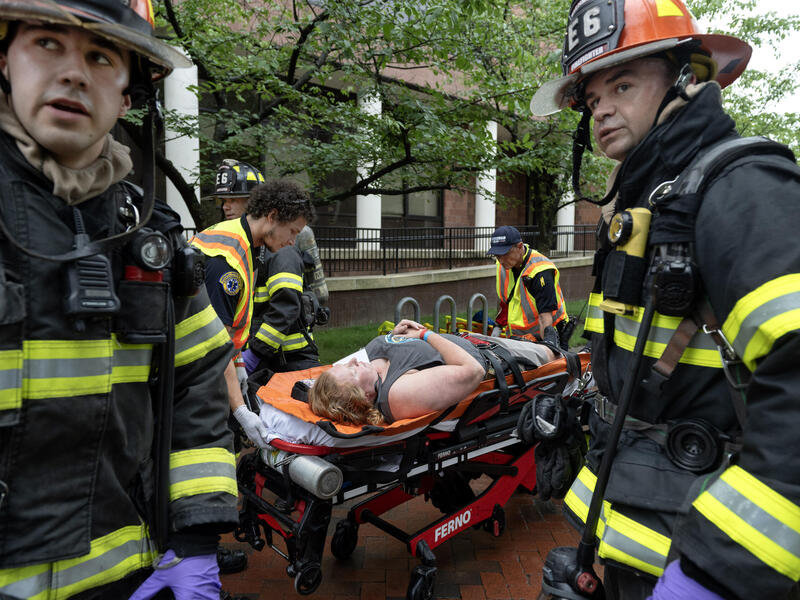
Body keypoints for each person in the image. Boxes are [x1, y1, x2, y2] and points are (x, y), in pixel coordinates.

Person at [529, 0, 800, 599]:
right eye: (592, 99)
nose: (601, 111)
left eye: (622, 84)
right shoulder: (649, 200)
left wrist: (713, 575)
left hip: (707, 550)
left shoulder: (742, 188)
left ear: (689, 77)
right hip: (637, 531)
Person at [0, 2, 240, 599]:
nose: (75, 73)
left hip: (123, 576)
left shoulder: (149, 240)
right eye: (48, 44)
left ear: (129, 96)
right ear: (5, 60)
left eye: (101, 55)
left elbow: (199, 383)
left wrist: (195, 542)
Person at [191, 178, 315, 449]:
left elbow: (231, 330)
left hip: (205, 365)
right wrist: (239, 409)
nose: (292, 241)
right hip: (193, 371)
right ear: (272, 217)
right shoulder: (229, 260)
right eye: (292, 231)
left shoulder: (248, 244)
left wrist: (238, 365)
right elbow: (217, 343)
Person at [309, 319, 555, 425]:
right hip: (494, 358)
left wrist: (396, 335)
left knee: (545, 346)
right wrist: (425, 335)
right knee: (553, 356)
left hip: (472, 342)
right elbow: (473, 371)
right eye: (351, 373)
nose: (353, 362)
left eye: (345, 365)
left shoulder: (370, 369)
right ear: (364, 397)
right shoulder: (397, 394)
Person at [488, 225, 570, 349]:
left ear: (520, 247)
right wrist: (497, 331)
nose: (501, 260)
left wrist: (548, 349)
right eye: (497, 256)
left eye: (505, 253)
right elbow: (507, 302)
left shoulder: (540, 270)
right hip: (519, 340)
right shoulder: (503, 266)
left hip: (549, 337)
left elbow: (545, 318)